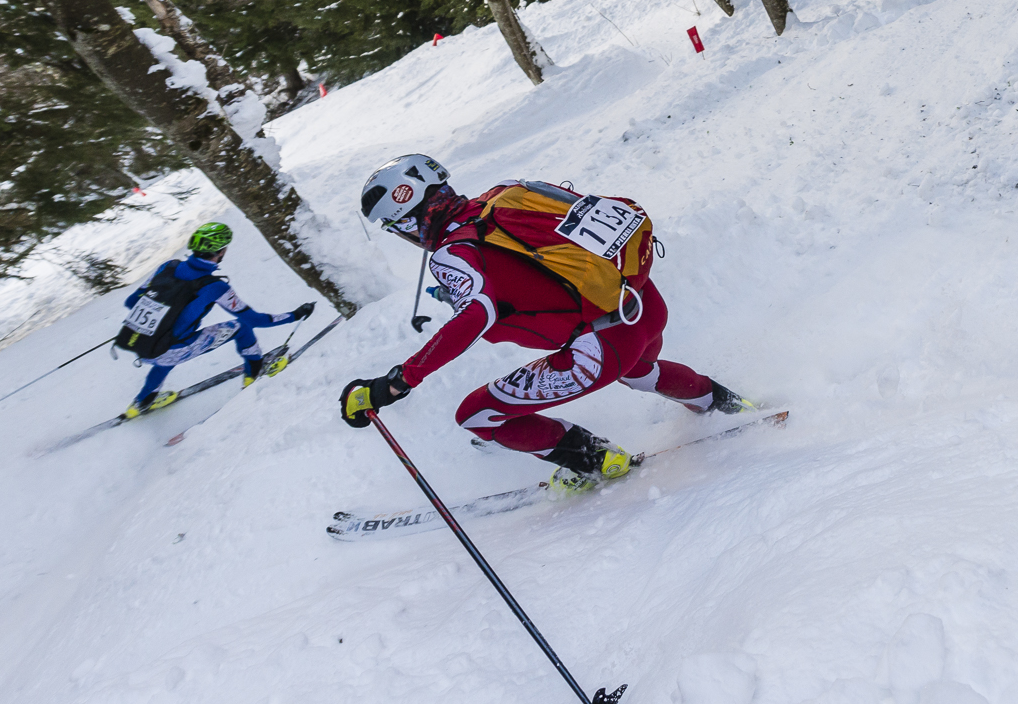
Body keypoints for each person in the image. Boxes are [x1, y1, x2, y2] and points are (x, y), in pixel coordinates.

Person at [338, 156, 756, 490]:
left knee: (477, 415)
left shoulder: (452, 253)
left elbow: (476, 315)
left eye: (398, 228)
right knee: (639, 372)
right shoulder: (503, 195)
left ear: (411, 218)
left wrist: (398, 381)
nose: (404, 236)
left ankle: (596, 461)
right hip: (641, 305)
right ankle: (726, 404)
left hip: (601, 345)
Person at [118, 222, 314, 419]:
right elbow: (255, 320)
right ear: (220, 252)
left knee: (168, 350)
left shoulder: (167, 267)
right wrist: (295, 315)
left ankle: (141, 403)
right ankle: (255, 373)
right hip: (172, 349)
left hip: (142, 344)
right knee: (242, 327)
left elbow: (131, 301)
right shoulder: (215, 286)